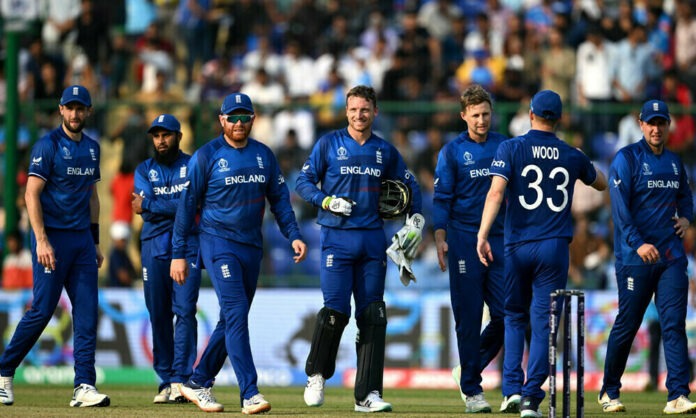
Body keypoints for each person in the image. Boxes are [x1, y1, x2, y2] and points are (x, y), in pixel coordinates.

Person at [170, 93, 307, 415]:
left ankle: (198, 381)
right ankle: (250, 392)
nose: (239, 123)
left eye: (245, 117)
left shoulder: (263, 155)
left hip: (251, 247)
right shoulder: (206, 156)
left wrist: (294, 235)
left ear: (253, 119)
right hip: (217, 243)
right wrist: (178, 253)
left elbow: (280, 200)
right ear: (222, 120)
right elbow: (187, 207)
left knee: (232, 317)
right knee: (235, 310)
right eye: (233, 117)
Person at [476, 90, 607, 418]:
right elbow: (602, 184)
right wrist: (583, 161)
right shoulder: (572, 155)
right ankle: (531, 399)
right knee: (544, 324)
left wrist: (482, 234)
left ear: (531, 114)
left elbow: (495, 193)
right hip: (554, 248)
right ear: (559, 119)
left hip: (518, 245)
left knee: (513, 316)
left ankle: (511, 391)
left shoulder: (511, 148)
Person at [296, 85, 423, 413]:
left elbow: (412, 187)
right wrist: (326, 200)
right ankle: (316, 375)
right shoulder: (329, 143)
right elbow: (302, 183)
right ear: (346, 111)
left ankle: (368, 395)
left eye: (364, 109)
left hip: (372, 242)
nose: (358, 115)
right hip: (337, 240)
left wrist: (414, 224)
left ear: (375, 111)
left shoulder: (385, 150)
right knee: (335, 311)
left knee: (373, 316)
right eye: (353, 109)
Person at [0, 85, 110, 407]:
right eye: (70, 108)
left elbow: (92, 197)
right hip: (52, 238)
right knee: (43, 310)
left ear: (88, 111)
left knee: (87, 311)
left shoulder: (92, 149)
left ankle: (84, 385)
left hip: (81, 240)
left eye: (80, 108)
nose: (75, 114)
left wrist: (95, 241)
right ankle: (4, 371)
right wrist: (41, 240)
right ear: (61, 109)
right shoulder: (47, 145)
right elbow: (31, 193)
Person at [599, 99, 696, 414]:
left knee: (674, 325)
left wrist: (686, 218)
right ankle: (609, 390)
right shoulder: (627, 158)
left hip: (671, 257)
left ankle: (677, 394)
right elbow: (620, 211)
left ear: (668, 126)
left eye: (661, 123)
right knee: (628, 324)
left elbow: (686, 197)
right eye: (651, 123)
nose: (656, 129)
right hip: (634, 258)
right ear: (641, 125)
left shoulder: (674, 162)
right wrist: (639, 244)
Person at [433, 85, 508, 413]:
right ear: (463, 115)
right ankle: (473, 391)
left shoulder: (505, 146)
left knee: (508, 314)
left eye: (486, 114)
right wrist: (440, 237)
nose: (481, 120)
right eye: (475, 115)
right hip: (464, 240)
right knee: (468, 318)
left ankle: (468, 367)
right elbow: (441, 199)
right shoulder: (451, 152)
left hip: (500, 239)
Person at [132, 113, 202, 404]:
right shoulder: (144, 170)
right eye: (157, 136)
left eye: (166, 135)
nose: (161, 141)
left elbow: (191, 204)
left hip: (188, 245)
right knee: (159, 315)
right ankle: (165, 381)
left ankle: (181, 379)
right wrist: (172, 205)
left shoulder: (193, 165)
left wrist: (150, 203)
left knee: (185, 310)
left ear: (179, 137)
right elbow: (143, 212)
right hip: (153, 246)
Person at [106, 221, 136, 287]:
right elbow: (123, 276)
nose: (125, 243)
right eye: (123, 240)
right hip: (117, 290)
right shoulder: (115, 254)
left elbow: (133, 271)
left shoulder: (123, 254)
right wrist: (134, 282)